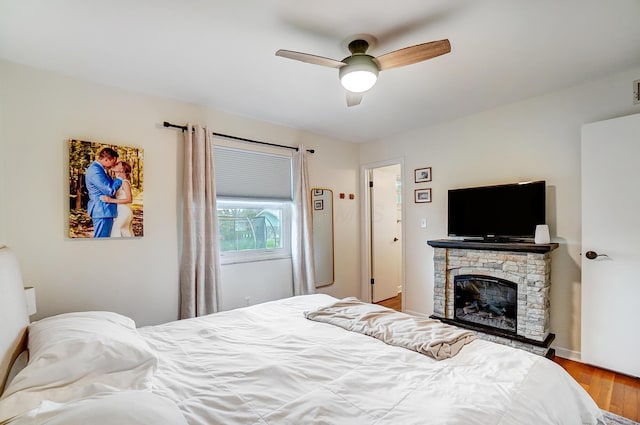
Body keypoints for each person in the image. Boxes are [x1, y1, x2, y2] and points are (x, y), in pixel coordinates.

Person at [85, 148, 123, 238]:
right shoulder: (95, 170)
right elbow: (109, 191)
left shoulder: (100, 169)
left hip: (104, 211)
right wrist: (120, 179)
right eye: (113, 162)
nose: (113, 165)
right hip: (102, 210)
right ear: (106, 159)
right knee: (101, 242)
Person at [101, 161, 134, 237]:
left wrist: (110, 200)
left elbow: (129, 200)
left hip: (124, 211)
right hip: (118, 211)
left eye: (117, 165)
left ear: (122, 169)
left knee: (116, 232)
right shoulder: (116, 181)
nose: (114, 165)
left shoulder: (125, 182)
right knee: (121, 233)